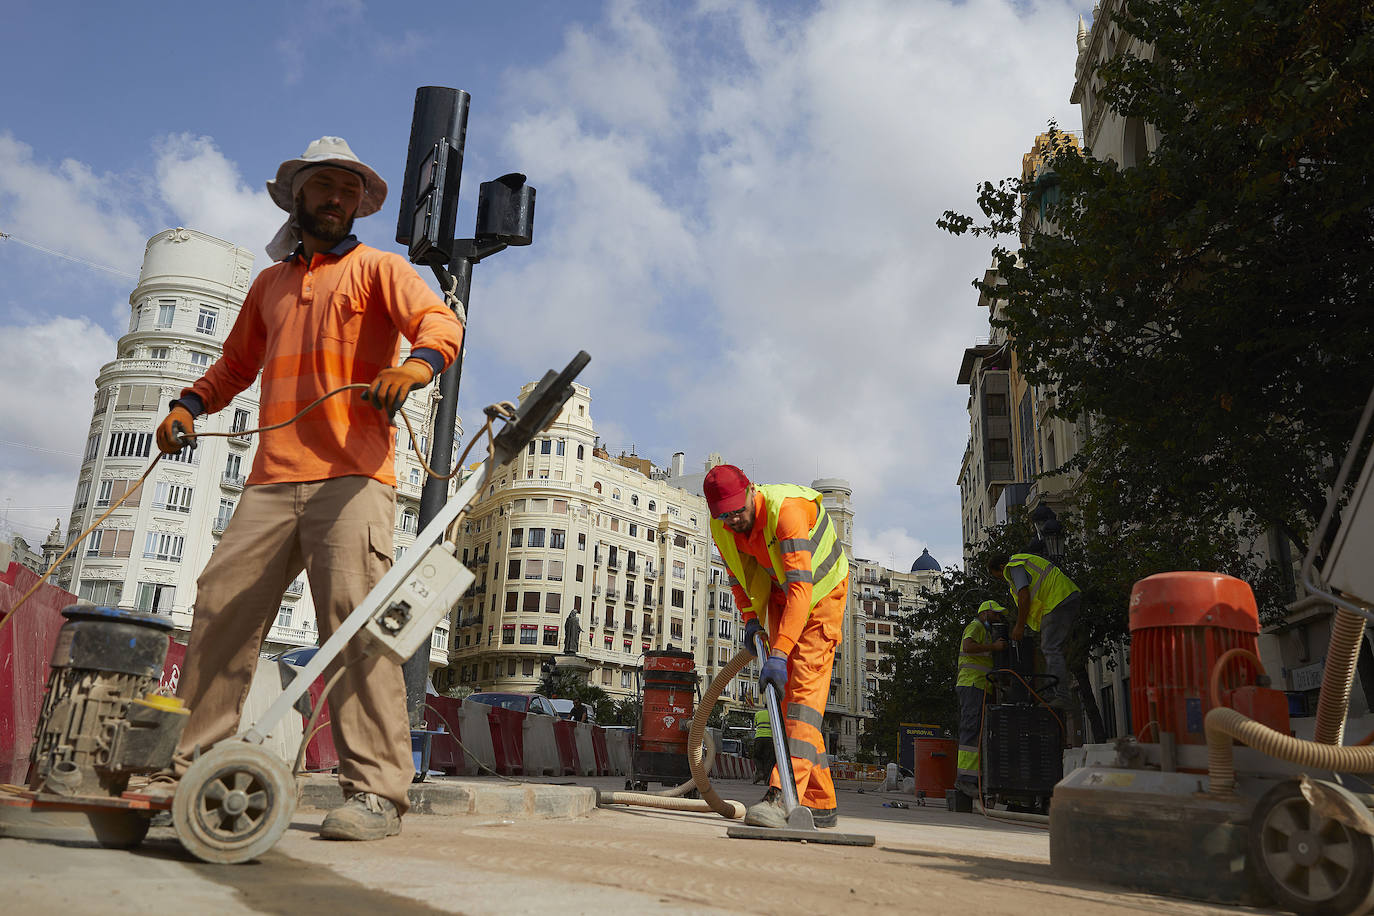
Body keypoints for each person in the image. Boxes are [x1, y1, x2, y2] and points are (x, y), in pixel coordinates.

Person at [148, 136, 463, 841]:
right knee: (221, 609)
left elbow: (440, 323)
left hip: (354, 478)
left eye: (348, 191)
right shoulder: (269, 286)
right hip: (271, 478)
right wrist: (187, 407)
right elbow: (234, 365)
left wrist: (416, 367)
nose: (336, 198)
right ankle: (187, 771)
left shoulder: (380, 269)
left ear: (359, 205)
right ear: (298, 196)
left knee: (354, 624)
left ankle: (376, 794)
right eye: (324, 186)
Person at [705, 464, 849, 829]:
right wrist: (751, 620)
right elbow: (738, 578)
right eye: (725, 514)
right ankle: (820, 801)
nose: (733, 519)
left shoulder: (786, 512)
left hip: (822, 593)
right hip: (784, 593)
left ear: (751, 492)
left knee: (802, 702)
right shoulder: (721, 525)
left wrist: (781, 652)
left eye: (738, 510)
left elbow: (804, 588)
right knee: (789, 709)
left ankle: (780, 796)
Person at [986, 551, 1081, 707]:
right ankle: (1052, 694)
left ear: (1002, 567)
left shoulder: (1014, 566)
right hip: (1063, 598)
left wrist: (1019, 626)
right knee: (1052, 648)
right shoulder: (1023, 563)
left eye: (999, 576)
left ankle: (1061, 697)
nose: (1003, 579)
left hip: (1057, 600)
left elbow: (1024, 596)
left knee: (1049, 647)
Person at [954, 599, 1007, 798]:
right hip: (972, 685)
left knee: (976, 731)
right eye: (995, 614)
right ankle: (965, 780)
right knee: (970, 730)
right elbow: (968, 647)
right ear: (985, 613)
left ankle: (973, 778)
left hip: (979, 686)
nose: (998, 618)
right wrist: (993, 647)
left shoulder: (984, 632)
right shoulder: (975, 626)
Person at [751, 704, 776, 785]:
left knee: (756, 756)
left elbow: (755, 725)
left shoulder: (758, 714)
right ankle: (767, 779)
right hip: (770, 739)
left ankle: (760, 771)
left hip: (759, 738)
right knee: (769, 759)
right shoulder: (774, 714)